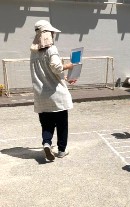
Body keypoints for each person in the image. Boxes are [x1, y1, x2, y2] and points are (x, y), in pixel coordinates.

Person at [29, 20, 75, 161]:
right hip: (57, 95)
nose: (54, 34)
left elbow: (48, 72)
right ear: (48, 34)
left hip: (41, 95)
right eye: (52, 32)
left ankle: (47, 143)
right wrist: (70, 65)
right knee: (62, 124)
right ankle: (61, 150)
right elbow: (56, 67)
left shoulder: (33, 53)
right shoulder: (51, 49)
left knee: (47, 124)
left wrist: (65, 78)